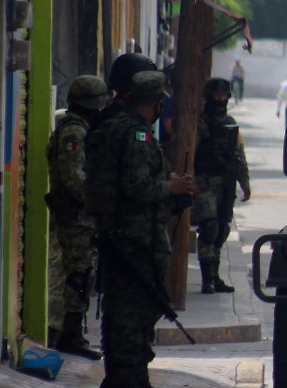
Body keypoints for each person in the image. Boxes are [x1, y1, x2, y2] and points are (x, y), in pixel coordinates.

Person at [85, 70, 194, 388]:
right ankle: (128, 380)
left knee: (121, 314)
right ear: (157, 103)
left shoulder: (111, 127)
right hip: (136, 241)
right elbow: (137, 186)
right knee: (133, 318)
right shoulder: (136, 135)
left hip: (119, 239)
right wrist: (171, 187)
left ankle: (122, 377)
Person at [45, 75, 112, 360]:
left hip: (80, 217)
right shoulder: (75, 132)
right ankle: (69, 334)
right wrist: (98, 201)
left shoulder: (79, 128)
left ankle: (71, 332)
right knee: (78, 275)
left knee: (82, 273)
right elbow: (74, 178)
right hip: (76, 217)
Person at [192, 77, 252, 294]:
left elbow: (239, 155)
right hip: (204, 182)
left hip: (224, 184)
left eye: (223, 95)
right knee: (209, 228)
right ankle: (207, 279)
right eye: (216, 95)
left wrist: (245, 183)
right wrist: (190, 182)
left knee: (222, 229)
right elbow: (188, 155)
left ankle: (215, 277)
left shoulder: (230, 123)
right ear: (208, 96)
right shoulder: (198, 122)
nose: (220, 99)